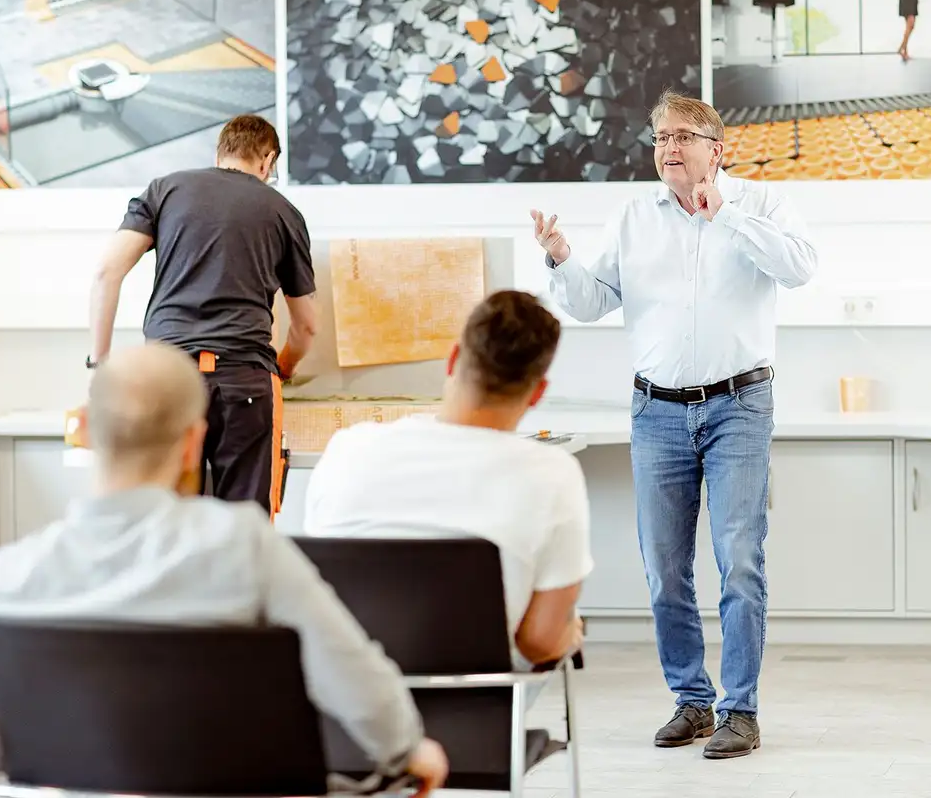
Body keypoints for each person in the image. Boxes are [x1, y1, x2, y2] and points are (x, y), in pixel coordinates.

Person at [0, 343, 448, 796]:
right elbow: (354, 682)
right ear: (193, 443)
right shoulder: (244, 546)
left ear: (83, 428)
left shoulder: (6, 577)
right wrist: (408, 748)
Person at [528, 90, 816, 759]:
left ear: (718, 149)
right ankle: (690, 700)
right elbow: (594, 302)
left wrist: (728, 217)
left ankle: (738, 710)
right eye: (660, 138)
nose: (669, 149)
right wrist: (561, 258)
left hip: (739, 407)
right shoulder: (634, 217)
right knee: (664, 568)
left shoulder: (761, 206)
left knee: (740, 561)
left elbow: (801, 269)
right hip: (656, 411)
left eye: (683, 136)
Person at [302, 290, 591, 671]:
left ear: (453, 359)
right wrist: (571, 632)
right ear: (537, 393)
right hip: (475, 714)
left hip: (345, 709)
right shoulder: (554, 474)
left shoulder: (348, 448)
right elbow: (539, 643)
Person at [87, 114, 318, 520]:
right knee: (245, 526)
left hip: (166, 378)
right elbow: (307, 326)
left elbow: (107, 272)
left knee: (160, 517)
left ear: (220, 153)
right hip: (243, 379)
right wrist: (283, 366)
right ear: (267, 160)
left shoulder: (166, 190)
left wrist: (100, 364)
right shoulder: (284, 213)